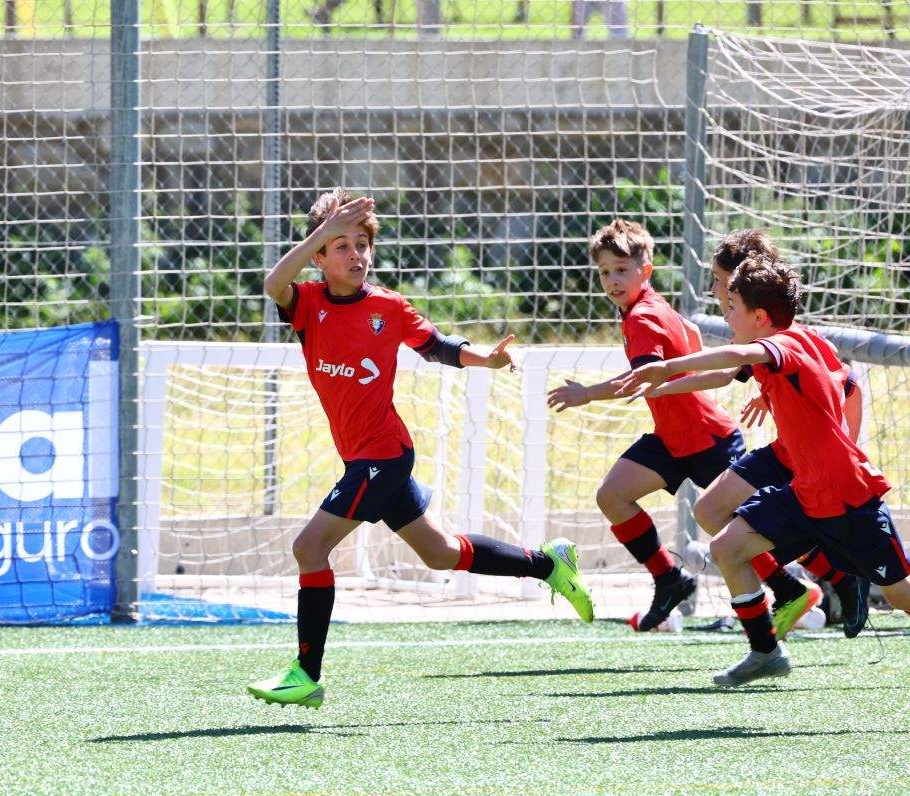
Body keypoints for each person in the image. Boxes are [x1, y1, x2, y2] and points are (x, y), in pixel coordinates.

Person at [246, 189, 594, 709]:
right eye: (340, 246)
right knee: (441, 553)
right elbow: (273, 283)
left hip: (382, 457)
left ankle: (306, 673)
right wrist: (322, 230)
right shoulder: (308, 304)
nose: (355, 254)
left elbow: (437, 346)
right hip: (364, 457)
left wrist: (486, 360)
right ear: (318, 257)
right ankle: (548, 565)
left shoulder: (387, 306)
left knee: (308, 549)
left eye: (361, 243)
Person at [617, 254, 910, 686]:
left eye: (731, 304)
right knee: (726, 548)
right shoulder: (802, 340)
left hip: (846, 499)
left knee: (902, 595)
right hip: (804, 492)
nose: (724, 310)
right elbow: (840, 383)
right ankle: (765, 651)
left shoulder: (781, 345)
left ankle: (843, 584)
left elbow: (741, 353)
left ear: (759, 316)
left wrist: (669, 365)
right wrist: (664, 382)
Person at [643, 229, 870, 638]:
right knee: (710, 511)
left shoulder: (786, 336)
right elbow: (730, 372)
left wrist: (847, 447)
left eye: (718, 280)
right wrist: (659, 385)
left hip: (812, 460)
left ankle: (818, 589)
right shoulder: (751, 327)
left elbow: (848, 384)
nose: (713, 289)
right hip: (784, 451)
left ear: (744, 283)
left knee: (772, 528)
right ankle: (793, 593)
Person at [548, 219, 742, 631]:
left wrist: (587, 393)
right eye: (604, 272)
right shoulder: (650, 307)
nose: (613, 280)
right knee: (614, 496)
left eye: (622, 269)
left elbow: (641, 379)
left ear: (645, 271)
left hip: (706, 438)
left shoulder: (641, 318)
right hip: (674, 440)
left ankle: (813, 583)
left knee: (752, 522)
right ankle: (670, 579)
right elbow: (688, 340)